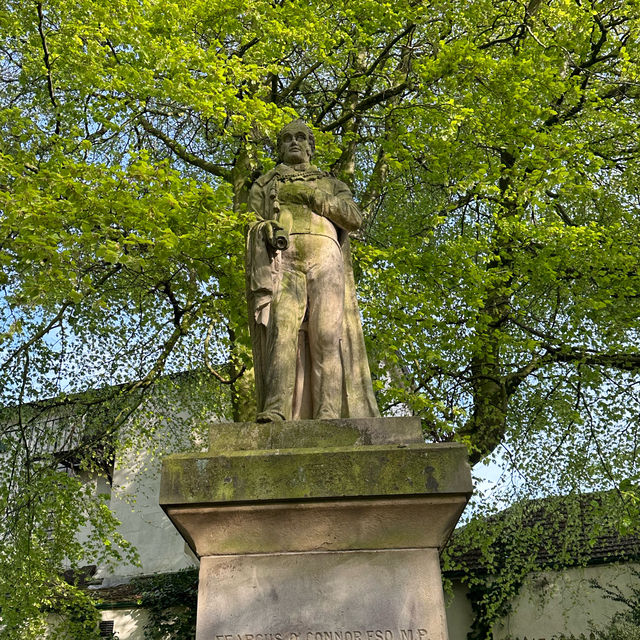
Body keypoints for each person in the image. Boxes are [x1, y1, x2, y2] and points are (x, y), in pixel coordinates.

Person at [246, 120, 379, 422]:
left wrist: (314, 197)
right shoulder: (265, 183)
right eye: (287, 138)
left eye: (301, 138)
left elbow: (354, 218)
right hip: (284, 258)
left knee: (326, 335)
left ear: (310, 146)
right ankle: (277, 408)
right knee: (281, 331)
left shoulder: (331, 183)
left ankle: (328, 412)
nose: (294, 142)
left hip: (326, 257)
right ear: (279, 147)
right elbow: (250, 222)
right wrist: (265, 229)